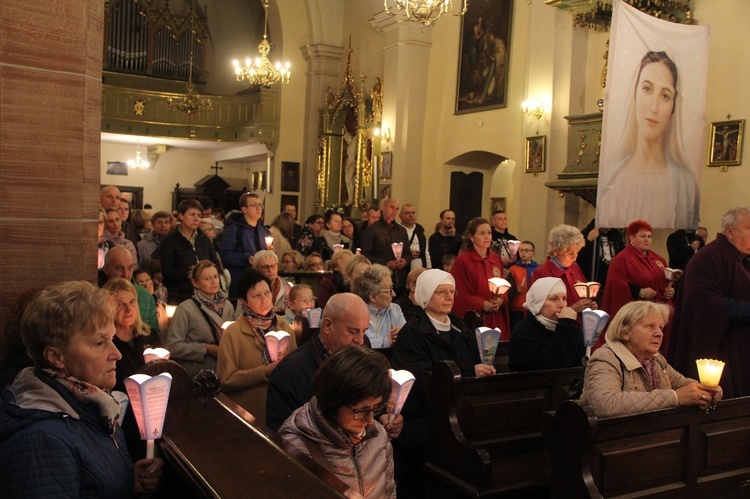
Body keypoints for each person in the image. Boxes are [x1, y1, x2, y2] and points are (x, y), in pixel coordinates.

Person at [0, 281, 163, 496]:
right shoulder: (42, 442)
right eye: (99, 342)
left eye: (112, 338)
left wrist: (127, 480)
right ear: (56, 357)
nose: (117, 354)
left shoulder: (88, 403)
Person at [391, 269, 495, 498]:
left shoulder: (459, 327)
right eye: (442, 292)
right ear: (427, 295)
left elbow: (472, 361)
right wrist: (469, 372)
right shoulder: (413, 332)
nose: (449, 297)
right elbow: (421, 379)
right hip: (425, 414)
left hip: (459, 408)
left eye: (452, 292)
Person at [266, 293, 403, 439]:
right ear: (327, 326)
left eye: (364, 331)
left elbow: (371, 399)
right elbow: (283, 439)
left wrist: (383, 417)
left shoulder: (362, 349)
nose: (360, 340)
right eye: (352, 331)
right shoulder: (289, 373)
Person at [596, 51, 699, 229]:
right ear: (635, 94)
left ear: (673, 107)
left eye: (665, 96)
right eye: (647, 89)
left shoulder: (685, 183)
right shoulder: (611, 175)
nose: (653, 107)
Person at [278, 346, 396, 499]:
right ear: (334, 401)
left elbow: (389, 493)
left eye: (377, 408)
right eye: (361, 410)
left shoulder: (378, 435)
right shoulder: (296, 445)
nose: (370, 420)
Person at [581, 301, 722, 417]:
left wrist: (707, 391)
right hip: (613, 443)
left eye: (661, 327)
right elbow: (606, 404)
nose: (659, 334)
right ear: (625, 333)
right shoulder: (606, 359)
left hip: (652, 436)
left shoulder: (656, 359)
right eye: (650, 326)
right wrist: (675, 398)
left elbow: (682, 384)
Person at [670, 207, 750, 398]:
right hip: (720, 350)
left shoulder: (740, 259)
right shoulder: (708, 258)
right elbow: (707, 304)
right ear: (729, 232)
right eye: (749, 228)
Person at [217, 268, 295, 425]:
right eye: (256, 296)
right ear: (244, 301)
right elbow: (226, 379)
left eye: (267, 293)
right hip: (247, 413)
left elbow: (295, 367)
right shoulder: (233, 332)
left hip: (281, 409)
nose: (264, 299)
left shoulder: (284, 326)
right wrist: (264, 372)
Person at [102, 278, 162, 459]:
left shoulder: (148, 335)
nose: (128, 310)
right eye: (120, 304)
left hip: (153, 413)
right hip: (124, 418)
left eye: (132, 302)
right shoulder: (107, 342)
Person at [597, 220, 675, 352]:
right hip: (637, 314)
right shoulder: (622, 259)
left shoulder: (658, 259)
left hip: (657, 313)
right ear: (632, 238)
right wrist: (640, 292)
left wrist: (671, 290)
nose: (647, 240)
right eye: (643, 236)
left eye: (649, 236)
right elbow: (616, 284)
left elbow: (665, 280)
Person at [166, 260, 235, 378]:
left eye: (215, 277)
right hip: (200, 373)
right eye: (207, 279)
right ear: (195, 283)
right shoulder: (185, 309)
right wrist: (206, 349)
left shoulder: (227, 305)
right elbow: (172, 346)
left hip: (226, 369)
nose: (213, 282)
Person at [450, 217, 512, 338]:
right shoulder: (463, 260)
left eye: (489, 233)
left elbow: (503, 285)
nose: (487, 236)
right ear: (472, 237)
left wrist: (501, 299)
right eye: (482, 233)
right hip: (475, 318)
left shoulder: (495, 259)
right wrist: (481, 303)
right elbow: (458, 292)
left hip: (495, 316)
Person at [508, 277, 585, 371]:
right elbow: (555, 364)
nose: (562, 305)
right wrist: (568, 324)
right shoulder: (523, 332)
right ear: (538, 303)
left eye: (564, 298)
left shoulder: (567, 326)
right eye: (554, 299)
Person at [159, 199, 219, 304]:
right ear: (181, 216)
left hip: (205, 294)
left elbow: (214, 262)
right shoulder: (169, 241)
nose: (196, 219)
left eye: (199, 215)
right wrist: (194, 270)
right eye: (192, 215)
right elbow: (167, 274)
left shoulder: (204, 239)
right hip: (180, 295)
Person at [530, 224, 596, 319]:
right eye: (571, 253)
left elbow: (584, 295)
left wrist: (589, 305)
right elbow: (537, 312)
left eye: (577, 253)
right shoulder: (541, 274)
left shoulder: (575, 269)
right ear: (556, 251)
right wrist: (572, 309)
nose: (575, 258)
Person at [220, 192, 272, 298]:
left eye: (260, 205)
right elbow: (225, 255)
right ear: (244, 209)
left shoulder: (264, 230)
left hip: (260, 279)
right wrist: (247, 259)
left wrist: (271, 253)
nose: (258, 209)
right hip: (241, 279)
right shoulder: (234, 229)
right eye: (254, 205)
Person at [360, 198, 410, 297]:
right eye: (391, 207)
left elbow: (408, 253)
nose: (394, 211)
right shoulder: (372, 229)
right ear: (383, 207)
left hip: (400, 280)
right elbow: (365, 254)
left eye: (397, 209)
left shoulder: (401, 230)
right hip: (380, 279)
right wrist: (386, 263)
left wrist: (405, 261)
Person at [351, 264, 406, 349]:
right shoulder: (355, 314)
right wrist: (387, 341)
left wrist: (403, 333)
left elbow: (409, 340)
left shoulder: (395, 309)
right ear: (373, 297)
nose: (394, 294)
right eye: (390, 290)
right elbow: (363, 345)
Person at [577, 219, 625, 296]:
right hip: (592, 284)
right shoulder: (585, 234)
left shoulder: (616, 235)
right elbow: (578, 258)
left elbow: (622, 256)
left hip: (611, 283)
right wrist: (588, 241)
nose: (609, 227)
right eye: (607, 224)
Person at [507, 240, 539, 329]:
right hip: (517, 309)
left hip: (534, 309)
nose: (523, 253)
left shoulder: (538, 270)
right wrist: (515, 289)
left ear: (533, 253)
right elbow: (507, 291)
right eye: (521, 250)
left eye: (527, 250)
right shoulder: (512, 270)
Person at [399, 204, 430, 270]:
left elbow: (426, 253)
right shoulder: (396, 231)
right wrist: (408, 255)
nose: (411, 215)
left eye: (413, 213)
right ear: (400, 215)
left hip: (419, 266)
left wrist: (429, 268)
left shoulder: (420, 232)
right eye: (407, 213)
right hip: (402, 268)